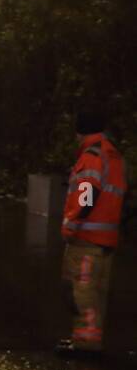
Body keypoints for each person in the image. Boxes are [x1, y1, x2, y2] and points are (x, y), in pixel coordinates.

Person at [57, 107, 127, 356]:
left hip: (86, 238)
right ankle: (90, 341)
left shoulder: (91, 156)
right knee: (97, 293)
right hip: (106, 238)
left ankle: (85, 344)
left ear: (80, 132)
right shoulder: (114, 156)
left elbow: (87, 195)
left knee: (80, 290)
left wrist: (73, 224)